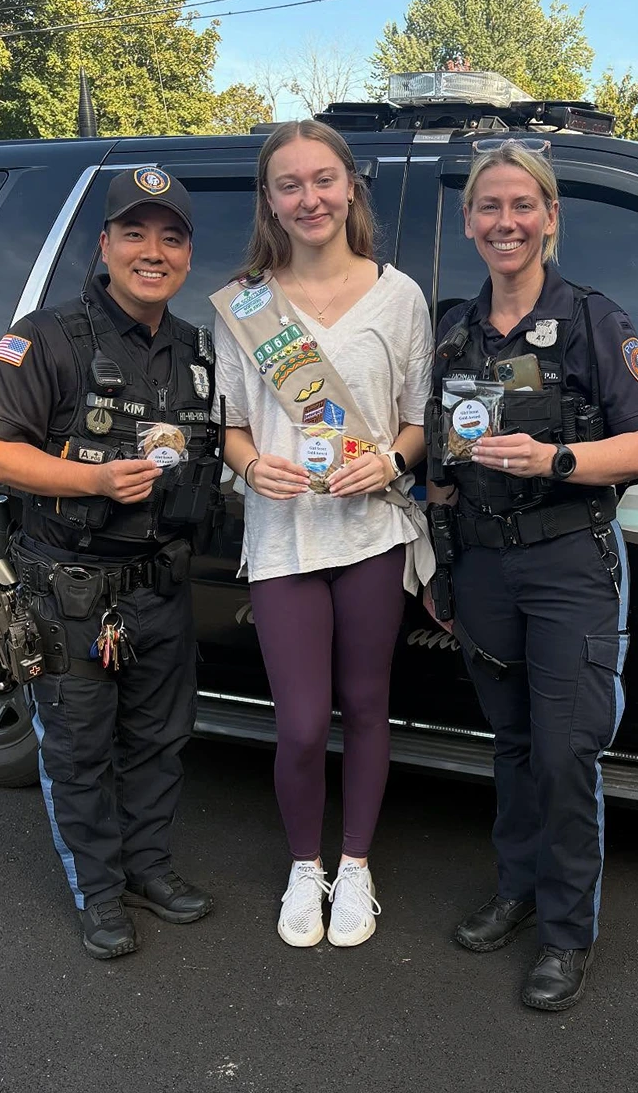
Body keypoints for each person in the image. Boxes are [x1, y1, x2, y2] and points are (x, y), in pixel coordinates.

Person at [425, 139, 638, 1011]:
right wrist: (439, 560)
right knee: (515, 742)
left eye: (522, 205)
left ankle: (566, 932)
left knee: (566, 752)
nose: (505, 221)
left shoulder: (594, 318)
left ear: (550, 218)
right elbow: (442, 465)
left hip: (569, 562)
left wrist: (556, 457)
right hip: (483, 565)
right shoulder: (453, 329)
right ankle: (517, 887)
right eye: (488, 207)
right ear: (468, 223)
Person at [0, 168, 221, 959]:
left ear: (187, 253)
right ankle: (100, 890)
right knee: (79, 751)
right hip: (69, 590)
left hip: (160, 584)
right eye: (136, 234)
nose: (154, 251)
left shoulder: (199, 351)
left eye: (172, 236)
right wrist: (92, 479)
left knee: (159, 740)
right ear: (106, 244)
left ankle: (149, 868)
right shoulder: (45, 337)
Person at [209, 120, 434, 949]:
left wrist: (389, 463)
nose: (310, 198)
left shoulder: (398, 295)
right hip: (283, 537)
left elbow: (415, 423)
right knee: (301, 722)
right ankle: (306, 863)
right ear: (269, 200)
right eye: (290, 184)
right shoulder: (247, 306)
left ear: (350, 187)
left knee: (369, 706)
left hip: (371, 531)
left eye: (323, 179)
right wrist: (248, 464)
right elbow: (229, 426)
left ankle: (357, 863)